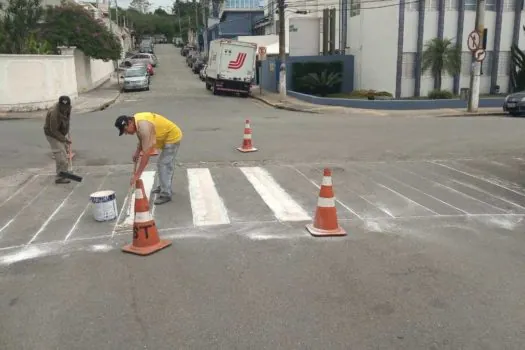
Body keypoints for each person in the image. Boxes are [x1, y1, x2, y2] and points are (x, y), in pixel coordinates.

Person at [115, 112, 183, 205]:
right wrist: (137, 152)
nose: (127, 133)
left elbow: (146, 154)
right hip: (164, 137)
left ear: (129, 122)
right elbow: (142, 139)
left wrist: (137, 175)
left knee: (163, 164)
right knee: (165, 164)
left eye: (126, 130)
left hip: (172, 137)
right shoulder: (137, 121)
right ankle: (163, 186)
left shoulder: (143, 127)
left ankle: (166, 193)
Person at [44, 95, 72, 184]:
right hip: (52, 134)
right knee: (61, 157)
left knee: (63, 152)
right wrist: (64, 139)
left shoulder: (68, 108)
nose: (65, 108)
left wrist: (65, 133)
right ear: (59, 105)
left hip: (60, 133)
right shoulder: (54, 113)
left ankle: (63, 172)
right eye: (63, 106)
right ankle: (60, 177)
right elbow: (54, 130)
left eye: (66, 106)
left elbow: (66, 120)